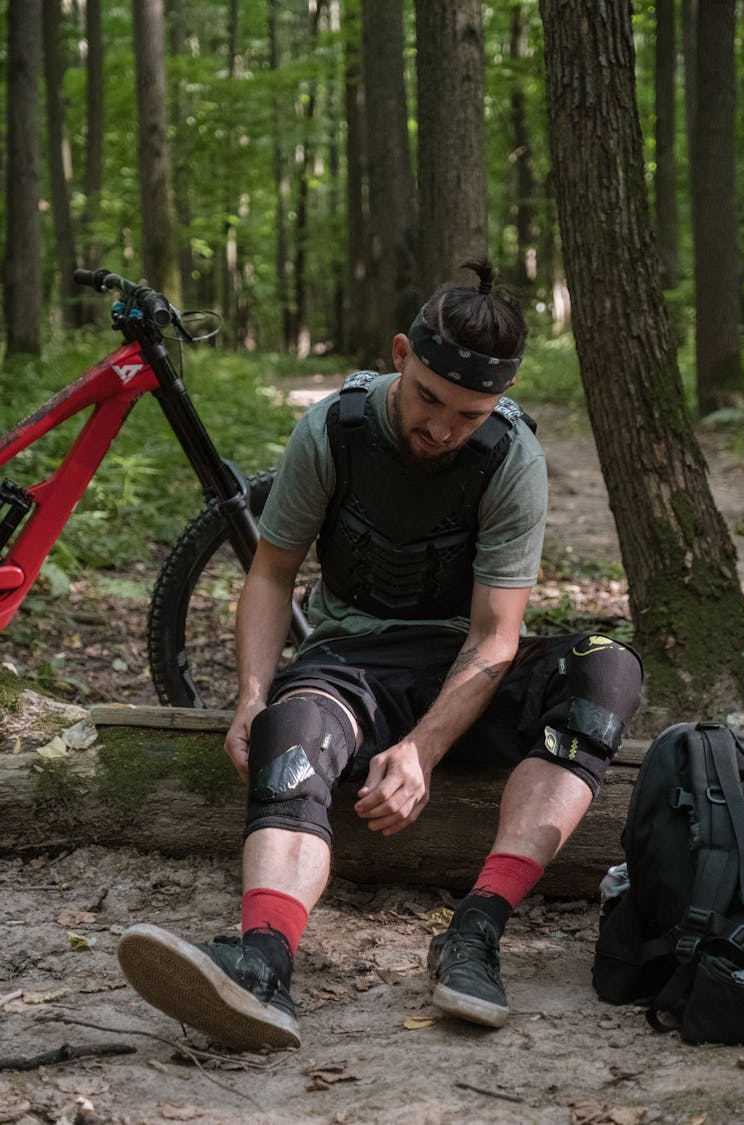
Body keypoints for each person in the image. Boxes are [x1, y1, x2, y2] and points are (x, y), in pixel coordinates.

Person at [117, 258, 643, 1051]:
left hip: (467, 667)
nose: (441, 427)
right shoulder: (333, 429)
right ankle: (262, 963)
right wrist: (253, 696)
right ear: (402, 354)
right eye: (430, 398)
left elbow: (496, 636)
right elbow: (270, 573)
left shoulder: (511, 458)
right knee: (287, 732)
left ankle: (474, 930)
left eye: (469, 413)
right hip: (350, 665)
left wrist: (422, 751)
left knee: (608, 666)